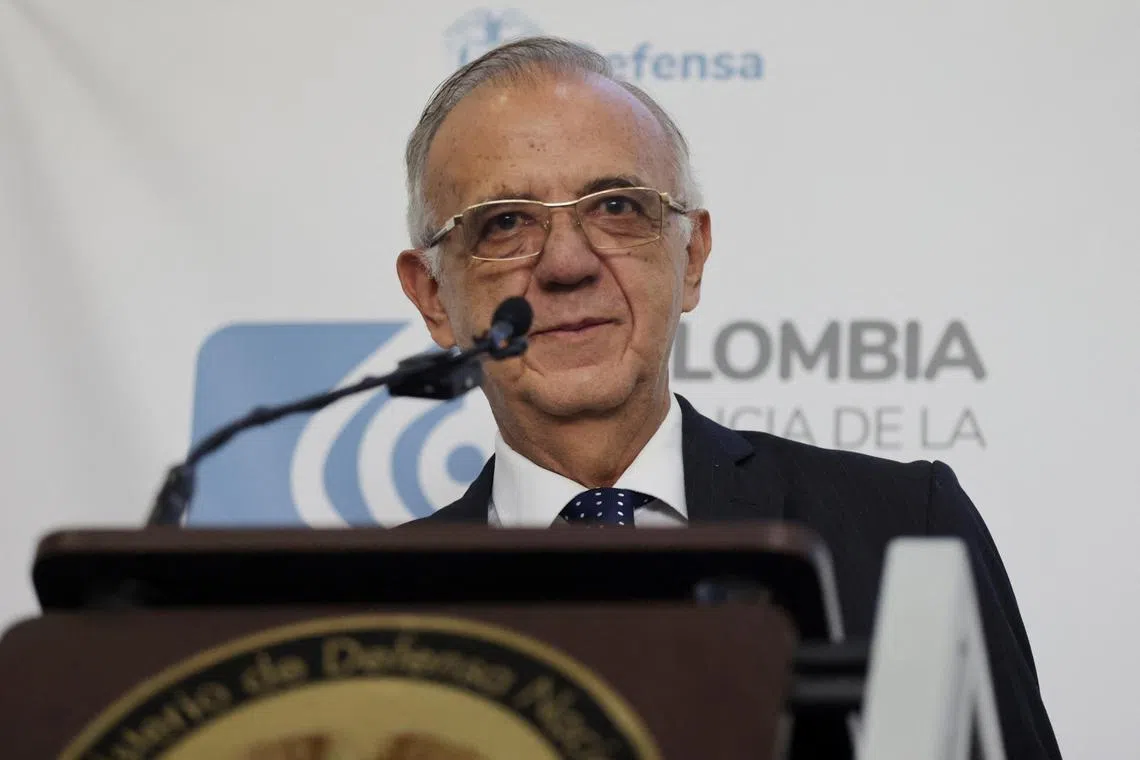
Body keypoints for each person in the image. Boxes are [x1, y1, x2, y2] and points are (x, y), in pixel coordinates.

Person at [395, 36, 1061, 759]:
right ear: (433, 295)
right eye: (507, 222)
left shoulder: (905, 528)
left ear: (693, 256)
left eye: (617, 206)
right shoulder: (374, 607)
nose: (566, 263)